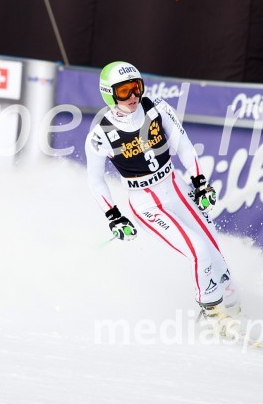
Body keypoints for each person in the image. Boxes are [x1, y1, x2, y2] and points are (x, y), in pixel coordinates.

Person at [85, 61, 240, 335]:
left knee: (215, 254)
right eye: (124, 92)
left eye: (137, 88)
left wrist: (200, 183)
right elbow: (95, 179)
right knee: (199, 252)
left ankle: (236, 312)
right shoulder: (101, 133)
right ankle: (211, 313)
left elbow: (183, 146)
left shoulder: (156, 106)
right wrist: (114, 216)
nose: (133, 96)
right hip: (146, 203)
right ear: (109, 94)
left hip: (175, 187)